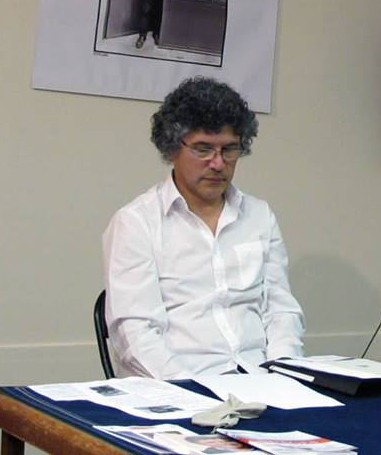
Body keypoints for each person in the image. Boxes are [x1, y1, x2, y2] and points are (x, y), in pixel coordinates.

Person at [103, 76, 305, 379]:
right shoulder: (136, 222)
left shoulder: (259, 216)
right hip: (178, 389)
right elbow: (135, 334)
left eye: (229, 150)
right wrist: (193, 390)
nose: (218, 163)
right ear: (173, 148)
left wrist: (284, 375)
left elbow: (281, 311)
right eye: (202, 149)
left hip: (260, 383)